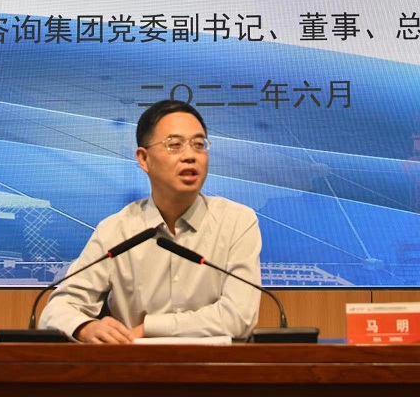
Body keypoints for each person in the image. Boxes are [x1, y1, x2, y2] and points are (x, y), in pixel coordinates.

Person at [38, 99, 262, 343]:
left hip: (216, 366)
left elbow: (238, 317)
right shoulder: (117, 231)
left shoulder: (237, 222)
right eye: (174, 145)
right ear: (143, 159)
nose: (190, 156)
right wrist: (86, 327)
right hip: (135, 365)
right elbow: (56, 310)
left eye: (199, 145)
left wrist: (150, 328)